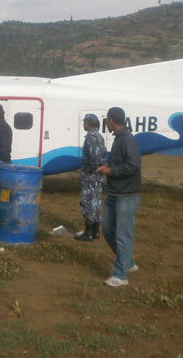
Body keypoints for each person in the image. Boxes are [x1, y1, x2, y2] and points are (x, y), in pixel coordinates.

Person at [96, 107, 141, 287]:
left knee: (123, 236)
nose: (106, 124)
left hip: (126, 195)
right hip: (115, 193)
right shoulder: (119, 138)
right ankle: (128, 262)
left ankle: (120, 276)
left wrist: (111, 171)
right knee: (108, 230)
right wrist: (107, 166)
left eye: (107, 121)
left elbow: (133, 165)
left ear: (111, 121)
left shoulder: (128, 139)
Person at [74, 113, 106, 242]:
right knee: (96, 202)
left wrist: (90, 167)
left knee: (87, 202)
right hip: (98, 176)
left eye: (85, 122)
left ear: (90, 123)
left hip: (90, 176)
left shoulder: (90, 137)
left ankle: (88, 233)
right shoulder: (100, 137)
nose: (83, 124)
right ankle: (95, 231)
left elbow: (94, 156)